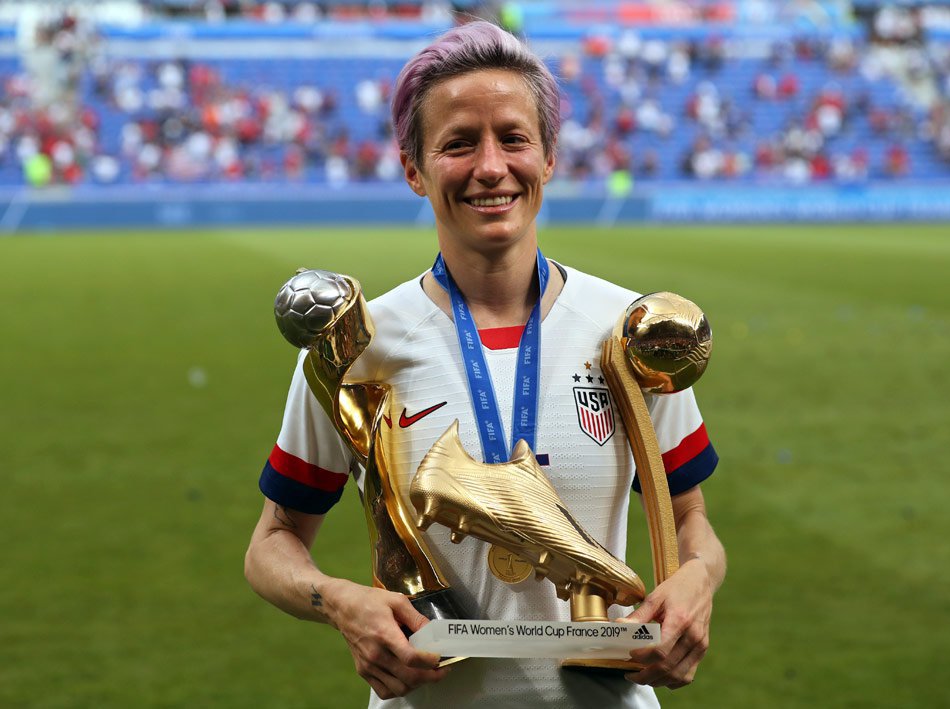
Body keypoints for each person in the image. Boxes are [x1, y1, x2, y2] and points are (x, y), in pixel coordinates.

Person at [245, 21, 726, 708]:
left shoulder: (630, 332)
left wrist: (696, 581)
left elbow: (691, 521)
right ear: (414, 168)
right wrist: (340, 600)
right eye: (459, 144)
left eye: (513, 137)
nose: (491, 166)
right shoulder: (355, 346)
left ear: (550, 156)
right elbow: (273, 541)